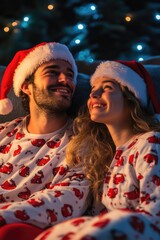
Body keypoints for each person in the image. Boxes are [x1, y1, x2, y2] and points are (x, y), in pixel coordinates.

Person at [35, 60, 160, 240]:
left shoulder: (151, 143)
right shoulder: (104, 159)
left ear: (132, 98)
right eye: (93, 88)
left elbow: (155, 216)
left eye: (107, 87)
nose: (94, 92)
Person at [0, 42, 90, 239]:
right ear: (26, 87)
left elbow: (68, 200)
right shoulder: (3, 134)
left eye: (70, 74)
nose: (65, 80)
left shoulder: (84, 140)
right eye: (52, 71)